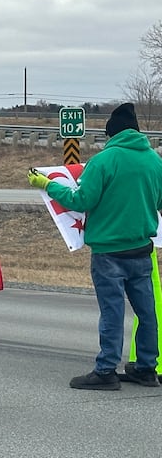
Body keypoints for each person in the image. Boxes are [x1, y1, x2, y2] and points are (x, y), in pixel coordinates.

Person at [28, 102, 162, 390]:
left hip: (109, 252)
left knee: (112, 311)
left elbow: (81, 201)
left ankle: (106, 371)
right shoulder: (155, 161)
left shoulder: (104, 161)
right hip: (142, 249)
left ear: (111, 134)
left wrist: (47, 183)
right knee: (147, 313)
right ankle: (147, 368)